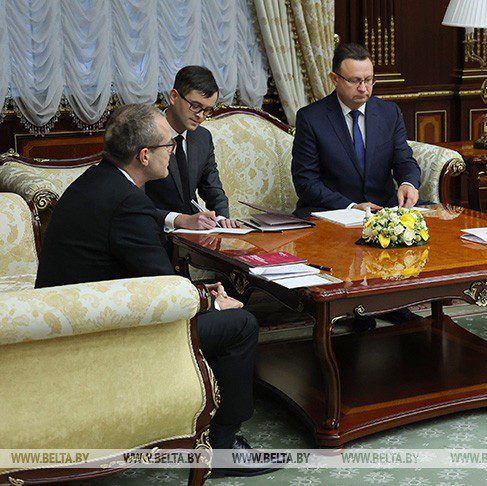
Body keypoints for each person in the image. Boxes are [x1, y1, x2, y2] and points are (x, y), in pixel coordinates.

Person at [35, 104, 275, 478]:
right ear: (144, 155)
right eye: (169, 146)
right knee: (240, 323)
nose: (174, 151)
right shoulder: (127, 202)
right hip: (100, 336)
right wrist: (211, 300)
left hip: (79, 317)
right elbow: (164, 291)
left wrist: (202, 292)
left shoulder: (97, 180)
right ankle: (223, 446)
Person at [291, 43, 422, 218]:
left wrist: (408, 184)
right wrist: (351, 207)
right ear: (335, 79)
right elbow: (306, 182)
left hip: (383, 208)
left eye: (368, 80)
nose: (363, 88)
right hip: (334, 211)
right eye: (354, 81)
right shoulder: (311, 118)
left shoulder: (389, 112)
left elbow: (404, 161)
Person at [144, 65, 240, 231]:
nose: (200, 116)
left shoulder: (203, 137)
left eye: (207, 110)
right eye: (195, 106)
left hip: (195, 234)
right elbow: (133, 200)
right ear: (174, 96)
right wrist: (179, 220)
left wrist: (222, 218)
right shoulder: (145, 133)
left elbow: (212, 188)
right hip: (153, 230)